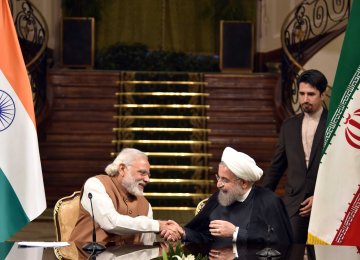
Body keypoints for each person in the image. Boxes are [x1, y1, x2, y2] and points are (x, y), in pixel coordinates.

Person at [162, 147, 293, 245]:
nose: (218, 184)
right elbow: (206, 237)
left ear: (243, 183)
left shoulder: (269, 202)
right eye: (218, 177)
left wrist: (235, 232)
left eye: (225, 180)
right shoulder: (218, 199)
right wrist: (183, 232)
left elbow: (280, 241)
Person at [262, 69, 328, 243]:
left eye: (311, 94)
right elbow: (277, 166)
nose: (305, 99)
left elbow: (341, 169)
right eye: (302, 93)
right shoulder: (289, 126)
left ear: (323, 94)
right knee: (291, 255)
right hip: (294, 204)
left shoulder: (334, 124)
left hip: (326, 203)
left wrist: (322, 196)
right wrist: (262, 197)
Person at [69, 148, 182, 244]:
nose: (147, 179)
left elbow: (147, 248)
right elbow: (111, 223)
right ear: (122, 169)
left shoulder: (145, 205)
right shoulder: (96, 184)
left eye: (148, 175)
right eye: (142, 173)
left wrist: (169, 231)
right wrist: (159, 225)